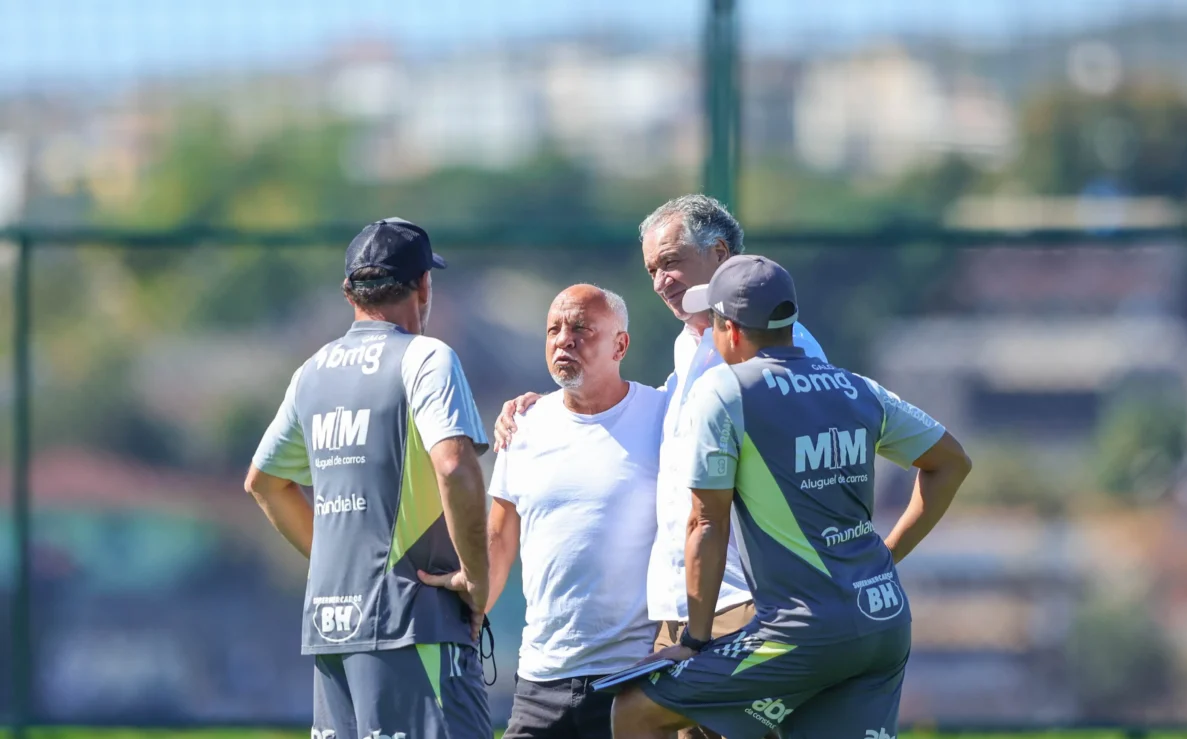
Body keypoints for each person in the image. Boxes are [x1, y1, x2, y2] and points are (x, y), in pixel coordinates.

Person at [493, 195, 825, 739]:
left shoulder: (776, 346)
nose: (661, 281)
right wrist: (540, 406)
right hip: (684, 618)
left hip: (743, 604)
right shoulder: (689, 348)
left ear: (719, 254)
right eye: (652, 269)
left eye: (671, 262)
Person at [610, 255, 973, 739]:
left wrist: (695, 640)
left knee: (636, 710)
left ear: (731, 331)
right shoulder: (855, 387)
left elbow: (705, 523)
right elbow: (951, 462)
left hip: (800, 633)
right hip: (883, 621)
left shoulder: (725, 389)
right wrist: (888, 554)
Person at [244, 218, 493, 739]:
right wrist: (475, 578)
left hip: (332, 631)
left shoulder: (312, 371)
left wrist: (343, 566)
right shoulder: (427, 357)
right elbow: (454, 465)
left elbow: (264, 484)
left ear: (348, 291)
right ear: (424, 285)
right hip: (413, 624)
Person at [484, 284, 665, 739]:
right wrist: (463, 624)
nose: (564, 339)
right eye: (553, 329)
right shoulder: (522, 425)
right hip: (539, 680)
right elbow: (499, 540)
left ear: (620, 344)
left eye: (581, 328)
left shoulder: (666, 415)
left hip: (633, 679)